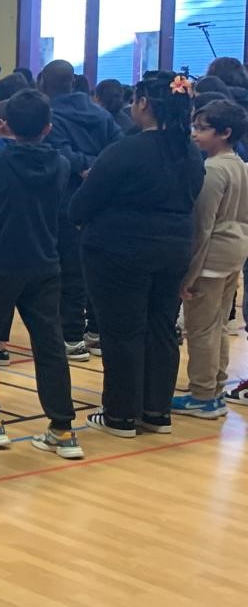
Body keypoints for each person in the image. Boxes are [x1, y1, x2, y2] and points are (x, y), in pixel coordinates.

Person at [74, 71, 204, 439]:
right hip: (174, 248)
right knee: (162, 327)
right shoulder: (189, 151)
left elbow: (83, 203)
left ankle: (120, 415)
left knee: (123, 330)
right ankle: (157, 410)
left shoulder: (128, 149)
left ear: (144, 104)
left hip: (121, 250)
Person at [0, 90, 80, 457]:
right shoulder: (61, 164)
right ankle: (63, 428)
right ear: (48, 128)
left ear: (6, 124)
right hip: (45, 262)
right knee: (49, 346)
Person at [40, 59, 122, 362]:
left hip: (67, 197)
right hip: (103, 200)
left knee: (70, 270)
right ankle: (97, 332)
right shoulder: (101, 113)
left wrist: (84, 165)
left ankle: (71, 336)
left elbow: (58, 150)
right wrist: (99, 166)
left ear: (43, 85)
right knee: (99, 267)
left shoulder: (49, 115)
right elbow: (118, 145)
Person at [177, 99, 248, 417]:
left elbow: (202, 227)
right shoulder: (240, 164)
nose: (194, 134)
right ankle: (215, 387)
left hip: (211, 259)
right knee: (218, 325)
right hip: (234, 253)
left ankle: (203, 394)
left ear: (225, 132)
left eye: (202, 129)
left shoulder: (212, 170)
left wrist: (188, 276)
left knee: (201, 328)